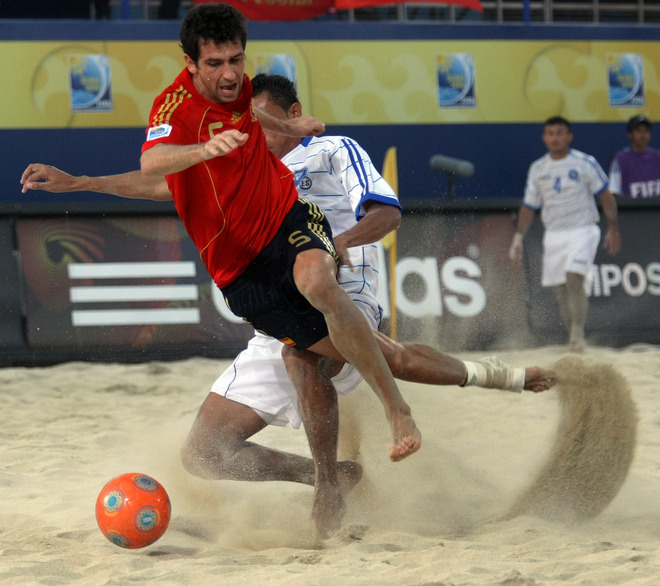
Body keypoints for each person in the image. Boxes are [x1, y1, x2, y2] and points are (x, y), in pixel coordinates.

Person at [21, 74, 558, 537]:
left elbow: (387, 214)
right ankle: (332, 472)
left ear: (293, 115)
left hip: (345, 284)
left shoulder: (332, 150)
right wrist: (82, 182)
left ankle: (330, 486)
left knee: (304, 351)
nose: (255, 130)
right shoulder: (238, 165)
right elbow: (162, 183)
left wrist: (341, 244)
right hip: (278, 303)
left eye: (264, 120)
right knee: (205, 454)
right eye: (246, 122)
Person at [508, 116, 621, 353]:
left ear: (569, 136)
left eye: (560, 133)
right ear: (544, 137)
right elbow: (529, 207)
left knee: (574, 278)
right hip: (554, 234)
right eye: (550, 133)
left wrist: (613, 228)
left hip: (583, 230)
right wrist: (518, 238)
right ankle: (574, 335)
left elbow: (606, 195)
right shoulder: (538, 168)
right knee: (561, 291)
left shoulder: (584, 162)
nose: (555, 138)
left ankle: (578, 335)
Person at [609, 114, 660, 199]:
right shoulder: (620, 159)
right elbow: (614, 192)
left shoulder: (657, 157)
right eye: (638, 131)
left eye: (646, 131)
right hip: (632, 211)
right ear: (630, 134)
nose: (643, 135)